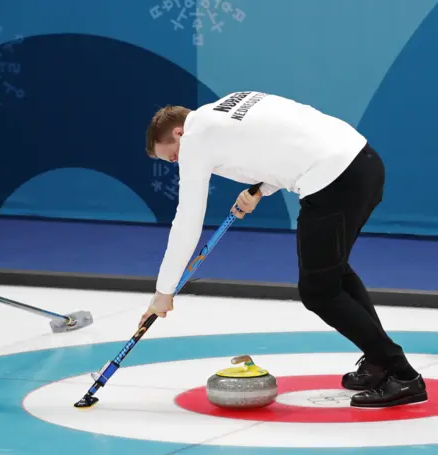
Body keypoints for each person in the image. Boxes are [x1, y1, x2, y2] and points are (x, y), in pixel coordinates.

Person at [139, 91, 426, 408]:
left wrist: (163, 290)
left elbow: (187, 220)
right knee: (335, 272)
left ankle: (402, 374)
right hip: (364, 163)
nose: (178, 162)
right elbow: (285, 137)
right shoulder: (232, 103)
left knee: (319, 291)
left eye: (172, 156)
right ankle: (378, 363)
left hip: (332, 182)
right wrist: (260, 189)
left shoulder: (196, 137)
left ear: (179, 133)